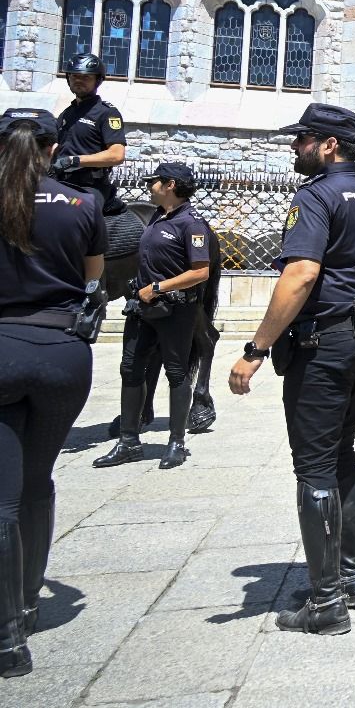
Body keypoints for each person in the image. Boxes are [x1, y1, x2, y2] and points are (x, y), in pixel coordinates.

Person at [228, 104, 355, 636]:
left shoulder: (316, 195)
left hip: (326, 343)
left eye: (303, 139)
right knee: (341, 449)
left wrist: (257, 349)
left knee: (314, 466)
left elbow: (301, 273)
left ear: (329, 145)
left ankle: (326, 603)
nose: (294, 148)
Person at [0, 108, 107, 678]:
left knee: (2, 495)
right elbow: (92, 283)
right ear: (50, 147)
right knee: (38, 480)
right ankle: (26, 600)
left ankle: (7, 638)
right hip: (62, 350)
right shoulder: (82, 205)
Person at [92, 163, 213, 471]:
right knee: (130, 368)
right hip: (142, 307)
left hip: (174, 310)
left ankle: (176, 442)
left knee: (176, 372)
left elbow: (201, 272)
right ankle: (128, 441)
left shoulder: (192, 224)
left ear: (169, 185)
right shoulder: (160, 216)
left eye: (154, 181)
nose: (149, 186)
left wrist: (158, 287)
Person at [54, 53, 128, 216]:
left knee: (76, 215)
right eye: (74, 76)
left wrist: (75, 161)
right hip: (60, 182)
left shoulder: (107, 114)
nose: (79, 80)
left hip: (90, 187)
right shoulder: (66, 114)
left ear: (98, 80)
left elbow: (117, 154)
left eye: (86, 77)